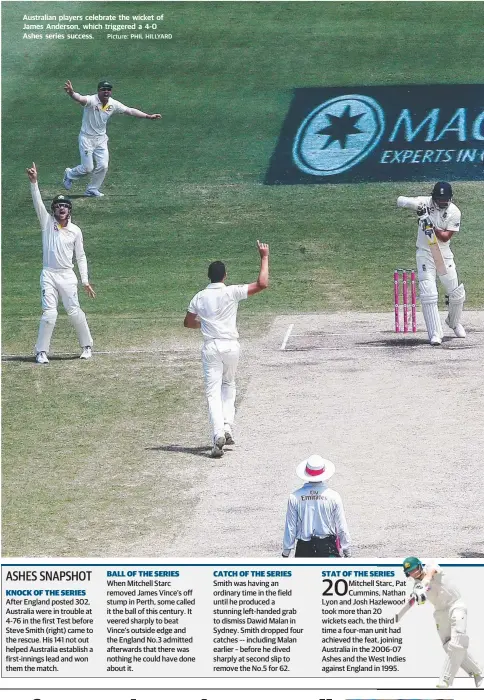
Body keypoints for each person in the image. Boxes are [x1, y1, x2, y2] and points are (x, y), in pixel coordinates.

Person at [183, 240, 269, 458]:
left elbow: (188, 322)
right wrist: (264, 257)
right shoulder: (232, 292)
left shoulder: (199, 296)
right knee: (229, 385)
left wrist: (203, 324)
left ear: (208, 276)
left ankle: (218, 433)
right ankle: (227, 427)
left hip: (211, 347)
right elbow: (262, 284)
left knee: (213, 392)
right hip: (231, 346)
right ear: (225, 276)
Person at [26, 162, 96, 364]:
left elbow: (81, 256)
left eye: (64, 206)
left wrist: (85, 281)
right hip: (49, 274)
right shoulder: (47, 223)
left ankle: (87, 346)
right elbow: (37, 202)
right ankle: (41, 352)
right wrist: (34, 182)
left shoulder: (76, 231)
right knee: (49, 315)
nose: (61, 209)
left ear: (69, 210)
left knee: (74, 312)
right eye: (57, 206)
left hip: (67, 275)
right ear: (53, 210)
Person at [62, 79, 162, 197]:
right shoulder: (92, 101)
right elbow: (80, 99)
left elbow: (129, 110)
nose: (106, 92)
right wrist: (72, 93)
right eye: (103, 89)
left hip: (101, 139)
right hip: (87, 139)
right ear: (98, 91)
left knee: (103, 166)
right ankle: (69, 174)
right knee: (88, 168)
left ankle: (91, 189)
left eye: (108, 90)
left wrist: (148, 116)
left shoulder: (112, 104)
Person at [397, 181, 465, 346]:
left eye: (445, 200)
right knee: (428, 292)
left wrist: (426, 221)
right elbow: (400, 200)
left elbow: (444, 237)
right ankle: (435, 333)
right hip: (425, 253)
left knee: (456, 293)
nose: (443, 203)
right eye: (439, 199)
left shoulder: (454, 212)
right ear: (434, 197)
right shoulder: (426, 202)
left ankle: (454, 323)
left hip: (444, 254)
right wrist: (416, 207)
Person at [403, 556, 483, 688]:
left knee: (459, 639)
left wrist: (424, 584)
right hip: (440, 613)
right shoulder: (416, 586)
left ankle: (445, 680)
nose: (414, 573)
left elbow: (431, 573)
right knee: (449, 646)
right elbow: (422, 600)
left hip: (455, 604)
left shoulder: (429, 565)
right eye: (410, 572)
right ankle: (478, 673)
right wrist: (418, 595)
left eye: (414, 569)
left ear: (419, 566)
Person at [282, 455, 351, 558]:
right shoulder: (334, 497)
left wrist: (286, 552)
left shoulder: (295, 497)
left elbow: (290, 527)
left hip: (303, 550)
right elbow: (341, 527)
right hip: (328, 548)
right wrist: (347, 550)